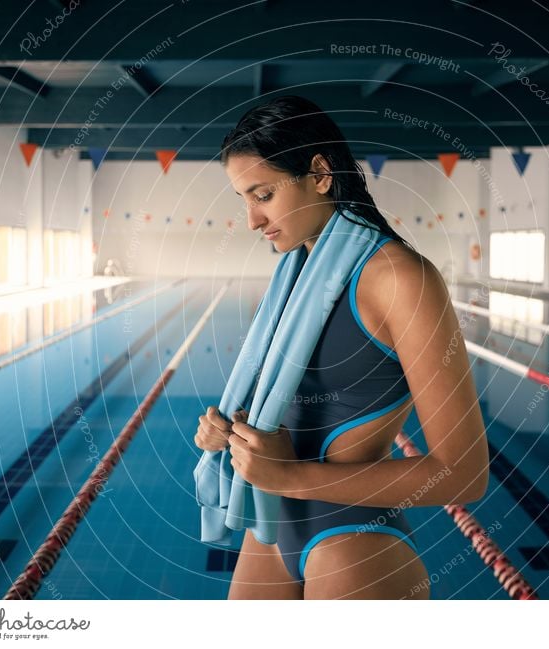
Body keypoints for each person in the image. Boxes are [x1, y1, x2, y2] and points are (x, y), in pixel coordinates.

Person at [194, 95, 489, 600]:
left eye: (262, 194)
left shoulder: (400, 279)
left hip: (354, 543)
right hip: (272, 526)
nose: (251, 220)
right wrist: (230, 430)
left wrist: (291, 476)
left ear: (320, 173)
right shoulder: (297, 276)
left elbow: (463, 474)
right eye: (243, 199)